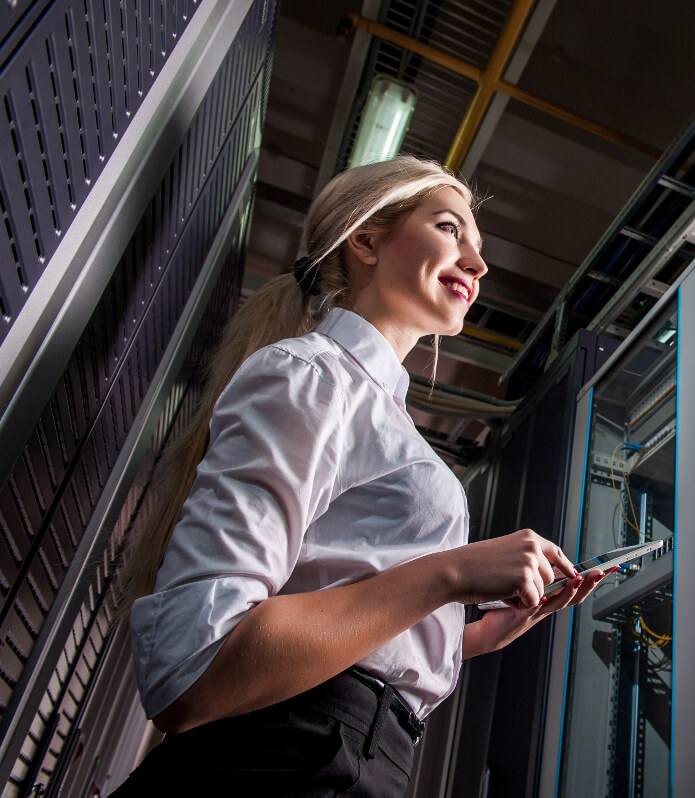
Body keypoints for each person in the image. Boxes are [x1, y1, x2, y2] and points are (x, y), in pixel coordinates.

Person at [113, 155, 610, 796]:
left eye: (478, 246)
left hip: (353, 756)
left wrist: (465, 637)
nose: (479, 265)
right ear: (367, 240)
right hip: (283, 759)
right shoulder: (312, 375)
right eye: (451, 229)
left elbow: (333, 608)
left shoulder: (379, 411)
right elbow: (192, 668)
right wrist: (449, 575)